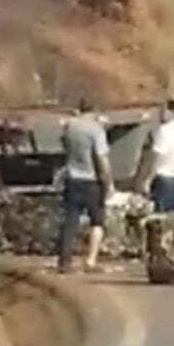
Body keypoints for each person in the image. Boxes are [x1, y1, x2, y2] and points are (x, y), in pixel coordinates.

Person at [58, 98, 114, 274]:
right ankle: (91, 260)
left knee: (70, 221)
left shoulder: (71, 128)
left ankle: (64, 261)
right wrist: (108, 181)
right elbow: (101, 158)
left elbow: (64, 147)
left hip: (72, 178)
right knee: (97, 221)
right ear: (95, 111)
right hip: (92, 181)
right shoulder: (96, 131)